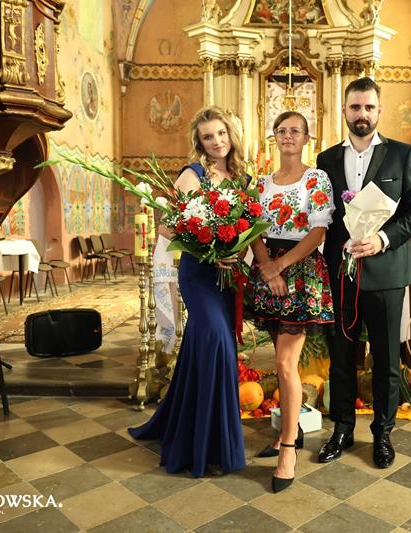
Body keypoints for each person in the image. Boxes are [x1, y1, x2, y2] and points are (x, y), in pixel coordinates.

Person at [316, 77, 411, 468]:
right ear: (344, 110)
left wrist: (383, 238)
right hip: (341, 274)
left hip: (385, 275)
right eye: (355, 107)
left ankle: (383, 434)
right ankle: (342, 430)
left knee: (385, 360)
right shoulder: (326, 160)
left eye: (369, 107)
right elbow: (322, 216)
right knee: (341, 358)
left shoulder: (402, 155)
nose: (362, 114)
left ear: (379, 110)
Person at [128, 106, 247, 478]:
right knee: (216, 343)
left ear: (230, 135)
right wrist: (210, 249)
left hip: (227, 277)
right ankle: (202, 445)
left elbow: (248, 226)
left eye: (221, 134)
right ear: (199, 142)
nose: (216, 142)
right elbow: (169, 229)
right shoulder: (192, 175)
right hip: (199, 275)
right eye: (208, 136)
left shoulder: (241, 177)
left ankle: (192, 430)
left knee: (205, 347)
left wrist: (236, 251)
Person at [246, 111, 335, 492]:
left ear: (306, 138)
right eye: (281, 130)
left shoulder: (316, 179)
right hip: (268, 270)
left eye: (295, 130)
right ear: (275, 137)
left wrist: (280, 266)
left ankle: (287, 450)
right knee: (281, 363)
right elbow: (252, 228)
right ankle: (291, 428)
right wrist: (267, 267)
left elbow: (318, 232)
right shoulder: (261, 183)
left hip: (300, 271)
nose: (288, 136)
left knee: (285, 363)